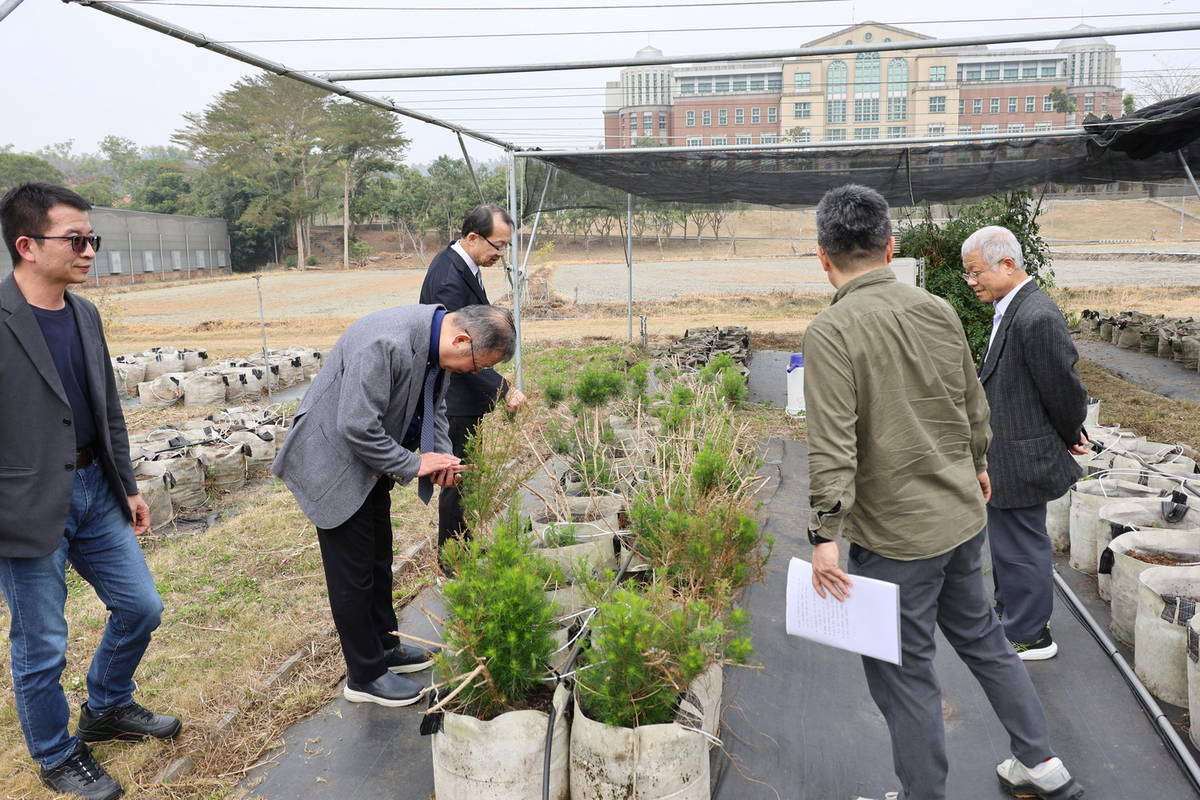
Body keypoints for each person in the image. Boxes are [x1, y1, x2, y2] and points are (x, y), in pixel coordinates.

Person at [805, 185, 1083, 800]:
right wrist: (979, 463)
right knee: (984, 639)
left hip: (897, 536)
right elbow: (971, 402)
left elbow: (832, 445)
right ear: (890, 247)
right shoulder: (937, 309)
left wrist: (825, 536)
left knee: (903, 674)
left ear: (823, 256)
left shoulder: (832, 330)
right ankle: (1040, 763)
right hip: (960, 518)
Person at [0, 183, 181, 800]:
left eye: (91, 239)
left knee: (141, 607)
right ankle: (55, 755)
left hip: (96, 490)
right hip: (23, 505)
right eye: (75, 240)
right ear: (27, 245)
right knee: (42, 643)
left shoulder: (84, 314)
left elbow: (106, 408)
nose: (89, 251)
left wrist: (126, 485)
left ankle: (106, 705)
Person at [272, 303, 517, 707]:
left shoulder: (432, 346)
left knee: (376, 561)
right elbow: (355, 425)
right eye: (474, 366)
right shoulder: (385, 342)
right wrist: (415, 463)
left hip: (368, 464)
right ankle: (364, 676)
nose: (471, 373)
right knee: (353, 576)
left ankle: (386, 648)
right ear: (461, 339)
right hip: (334, 463)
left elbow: (434, 407)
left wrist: (441, 457)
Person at [963, 225, 1090, 660]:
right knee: (1011, 545)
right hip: (1011, 452)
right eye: (968, 274)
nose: (971, 281)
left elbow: (1064, 388)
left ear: (1008, 264)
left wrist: (1071, 432)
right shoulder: (1011, 308)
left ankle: (1031, 635)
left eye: (976, 271)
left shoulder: (1035, 315)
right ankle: (1015, 617)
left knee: (1021, 547)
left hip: (1022, 455)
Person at [419, 205, 527, 561]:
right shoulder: (449, 279)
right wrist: (503, 389)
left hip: (464, 393)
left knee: (465, 476)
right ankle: (453, 557)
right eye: (497, 246)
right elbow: (465, 350)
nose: (500, 254)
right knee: (457, 477)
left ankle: (462, 542)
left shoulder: (463, 265)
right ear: (472, 238)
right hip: (457, 397)